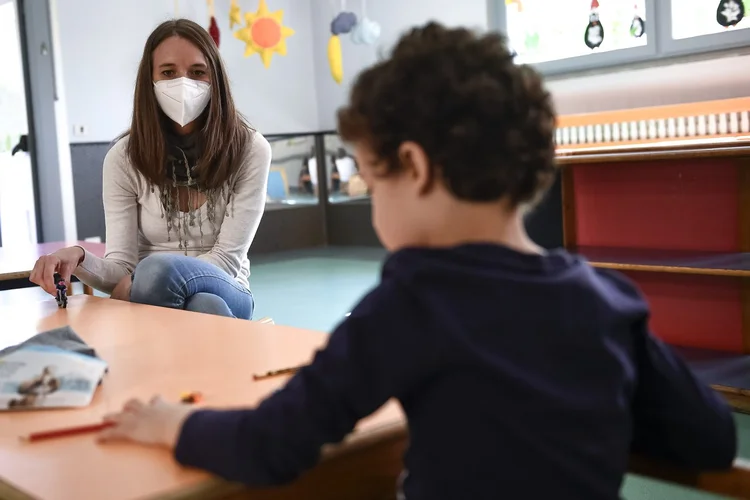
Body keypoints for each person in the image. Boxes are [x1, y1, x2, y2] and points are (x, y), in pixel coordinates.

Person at [97, 23, 736, 499]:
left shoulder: (407, 309)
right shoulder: (606, 301)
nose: (375, 207)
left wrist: (172, 423)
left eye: (374, 184)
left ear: (416, 169)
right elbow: (711, 438)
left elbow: (272, 445)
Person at [29, 19, 271, 320]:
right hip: (154, 292)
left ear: (216, 80)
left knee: (158, 270)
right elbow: (121, 268)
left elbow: (227, 260)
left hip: (230, 288)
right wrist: (79, 258)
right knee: (204, 308)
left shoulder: (250, 149)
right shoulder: (123, 158)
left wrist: (139, 282)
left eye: (198, 72)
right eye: (168, 72)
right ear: (150, 80)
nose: (184, 83)